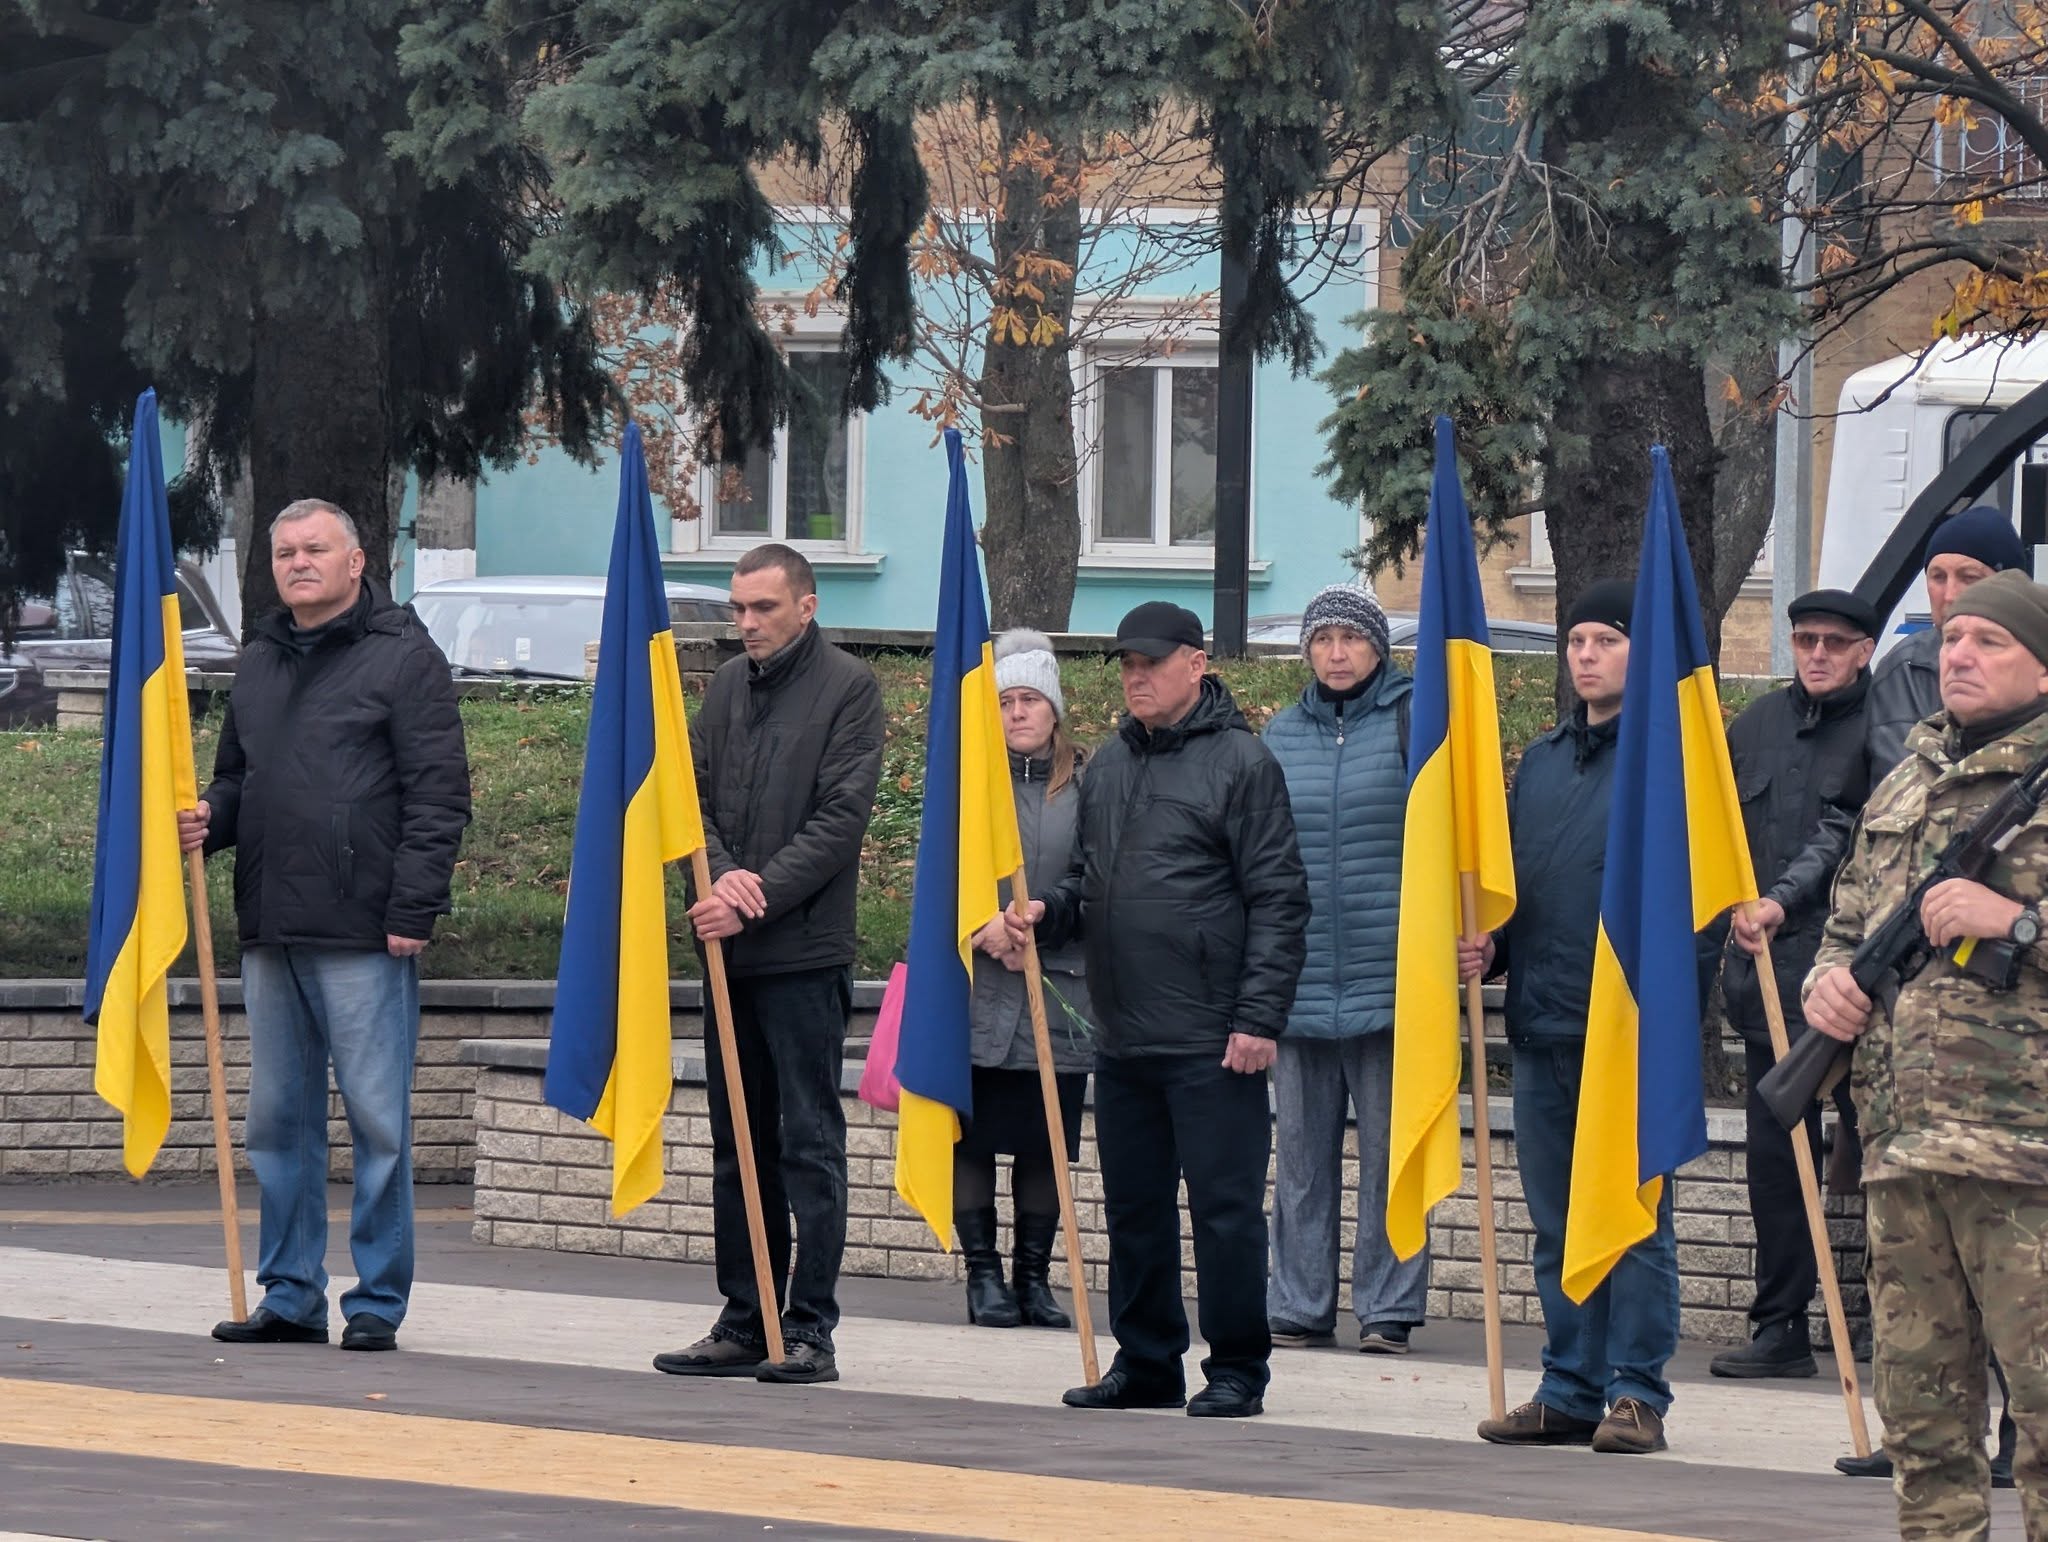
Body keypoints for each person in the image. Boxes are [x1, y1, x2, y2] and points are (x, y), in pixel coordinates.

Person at [182, 499, 470, 1353]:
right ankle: (291, 1292)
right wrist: (210, 814)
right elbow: (241, 776)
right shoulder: (260, 658)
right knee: (279, 1122)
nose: (298, 562)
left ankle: (377, 1301)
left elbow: (439, 795)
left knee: (378, 1122)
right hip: (271, 924)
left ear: (357, 561)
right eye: (284, 552)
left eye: (316, 549)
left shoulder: (404, 657)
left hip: (365, 931)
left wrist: (413, 909)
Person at [1008, 600, 1308, 1419]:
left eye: (1151, 663)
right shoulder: (1106, 766)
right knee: (1135, 1209)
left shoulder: (1243, 764)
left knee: (1224, 1213)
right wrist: (1049, 913)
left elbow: (1279, 900)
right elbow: (1090, 881)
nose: (1136, 677)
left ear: (1196, 663)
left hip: (1214, 1035)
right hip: (1126, 1031)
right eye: (1126, 666)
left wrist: (1259, 1020)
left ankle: (1238, 1367)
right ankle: (1146, 1362)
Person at [1805, 568, 2048, 1538]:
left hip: (2025, 1160)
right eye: (1951, 641)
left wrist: (2017, 923)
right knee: (1922, 1430)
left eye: (1985, 642)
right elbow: (1850, 922)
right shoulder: (1906, 779)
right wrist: (1827, 981)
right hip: (1902, 1153)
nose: (1957, 655)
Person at [653, 543, 884, 1388]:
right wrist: (715, 878)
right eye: (738, 608)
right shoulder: (721, 690)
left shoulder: (850, 689)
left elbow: (840, 820)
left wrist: (751, 894)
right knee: (735, 1145)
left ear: (807, 606)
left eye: (763, 609)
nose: (746, 623)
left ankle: (811, 1327)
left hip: (803, 954)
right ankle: (746, 1317)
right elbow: (692, 801)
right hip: (729, 955)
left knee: (808, 1144)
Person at [1461, 579, 1682, 1456]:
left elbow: (1681, 903)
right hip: (1544, 1024)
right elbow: (1527, 884)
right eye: (1576, 640)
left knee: (1629, 1217)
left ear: (1641, 652)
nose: (1586, 655)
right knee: (1557, 1222)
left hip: (1624, 1031)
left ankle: (1637, 1392)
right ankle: (1569, 1386)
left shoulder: (1662, 762)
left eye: (1606, 640)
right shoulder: (1544, 761)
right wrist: (1496, 949)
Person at [1710, 590, 1876, 1380]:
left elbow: (1844, 836)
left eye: (1834, 643)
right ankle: (1780, 1325)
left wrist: (1781, 901)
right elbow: (1721, 837)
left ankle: (1895, 1325)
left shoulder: (1889, 730)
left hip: (1859, 988)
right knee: (1777, 1164)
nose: (1817, 654)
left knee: (1877, 1157)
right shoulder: (1753, 729)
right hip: (1767, 988)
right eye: (1805, 639)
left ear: (1864, 651)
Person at [1259, 583, 1429, 1354]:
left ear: (1377, 648)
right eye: (1322, 638)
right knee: (1298, 1161)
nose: (1335, 653)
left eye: (1350, 639)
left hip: (1390, 979)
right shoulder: (1279, 736)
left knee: (1394, 1157)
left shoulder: (1414, 722)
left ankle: (1387, 1308)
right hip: (1296, 982)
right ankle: (1298, 1305)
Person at [955, 629, 1095, 1331]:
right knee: (974, 1137)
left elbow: (1094, 874)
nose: (1017, 713)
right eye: (1005, 700)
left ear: (1054, 708)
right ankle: (982, 1277)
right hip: (979, 985)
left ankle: (1033, 1277)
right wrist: (981, 927)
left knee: (1045, 1140)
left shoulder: (1088, 784)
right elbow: (944, 873)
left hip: (1058, 982)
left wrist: (1046, 924)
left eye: (1030, 699)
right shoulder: (969, 782)